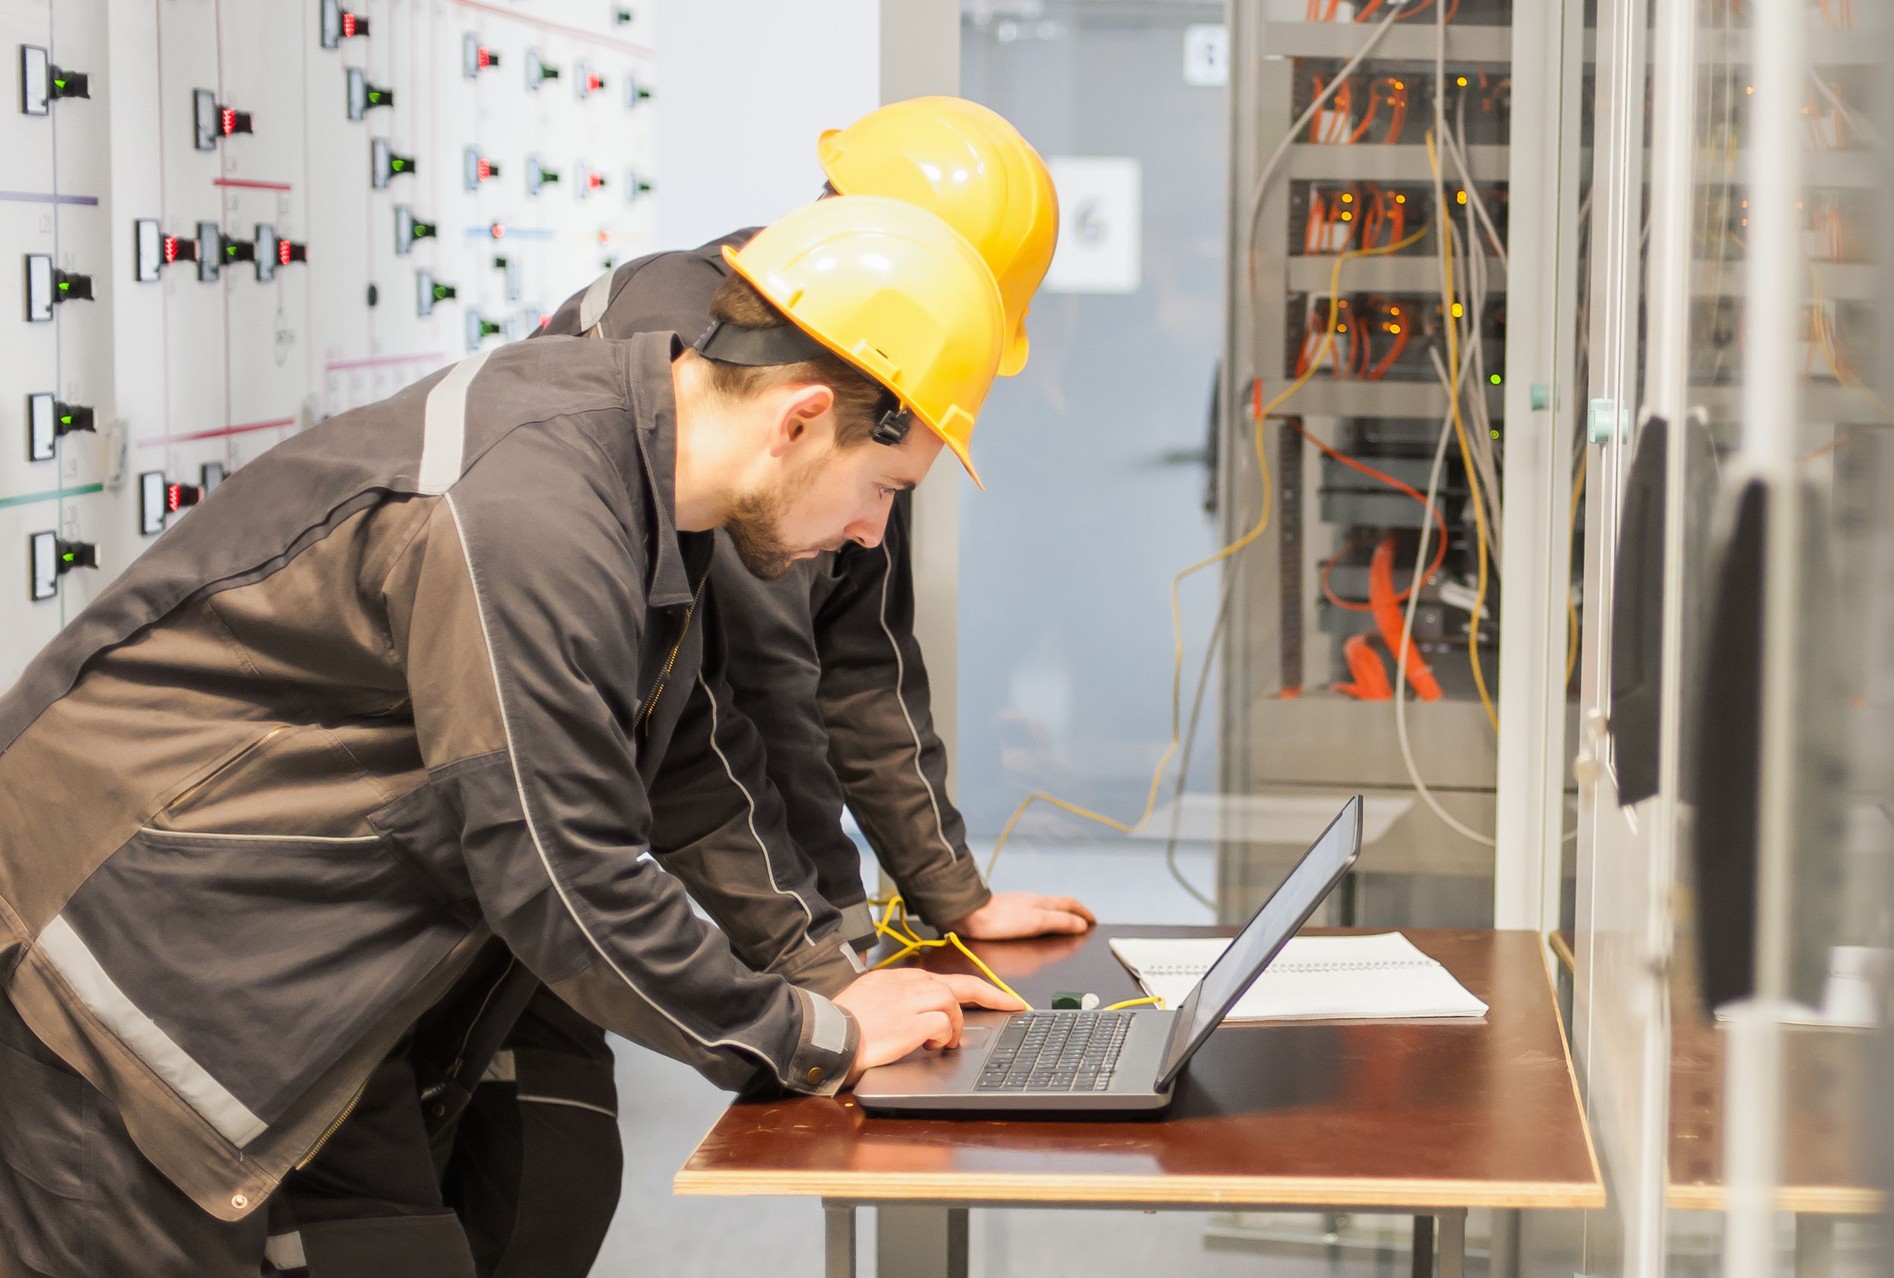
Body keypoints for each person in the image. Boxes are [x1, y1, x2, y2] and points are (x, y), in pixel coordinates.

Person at [0, 194, 1024, 1278]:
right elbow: (563, 874)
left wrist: (828, 975)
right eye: (881, 491)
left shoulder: (645, 492)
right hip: (120, 971)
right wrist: (816, 1036)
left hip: (306, 975)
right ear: (801, 418)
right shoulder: (537, 508)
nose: (870, 534)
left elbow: (684, 766)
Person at [422, 98, 1096, 1278]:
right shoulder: (740, 355)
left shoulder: (868, 379)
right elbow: (753, 698)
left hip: (579, 829)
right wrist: (831, 971)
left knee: (542, 1182)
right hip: (509, 828)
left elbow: (866, 657)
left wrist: (949, 893)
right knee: (521, 1186)